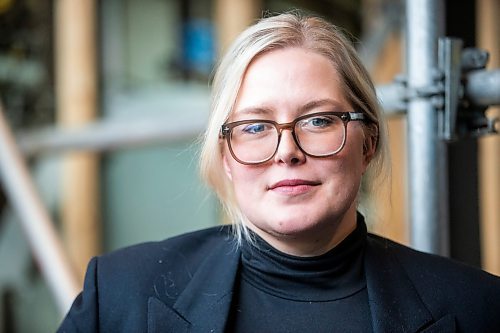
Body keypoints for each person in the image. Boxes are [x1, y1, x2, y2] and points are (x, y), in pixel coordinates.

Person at [58, 11, 500, 333]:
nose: (286, 152)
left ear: (368, 143)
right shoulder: (119, 295)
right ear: (227, 156)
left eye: (318, 120)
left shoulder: (479, 308)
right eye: (255, 127)